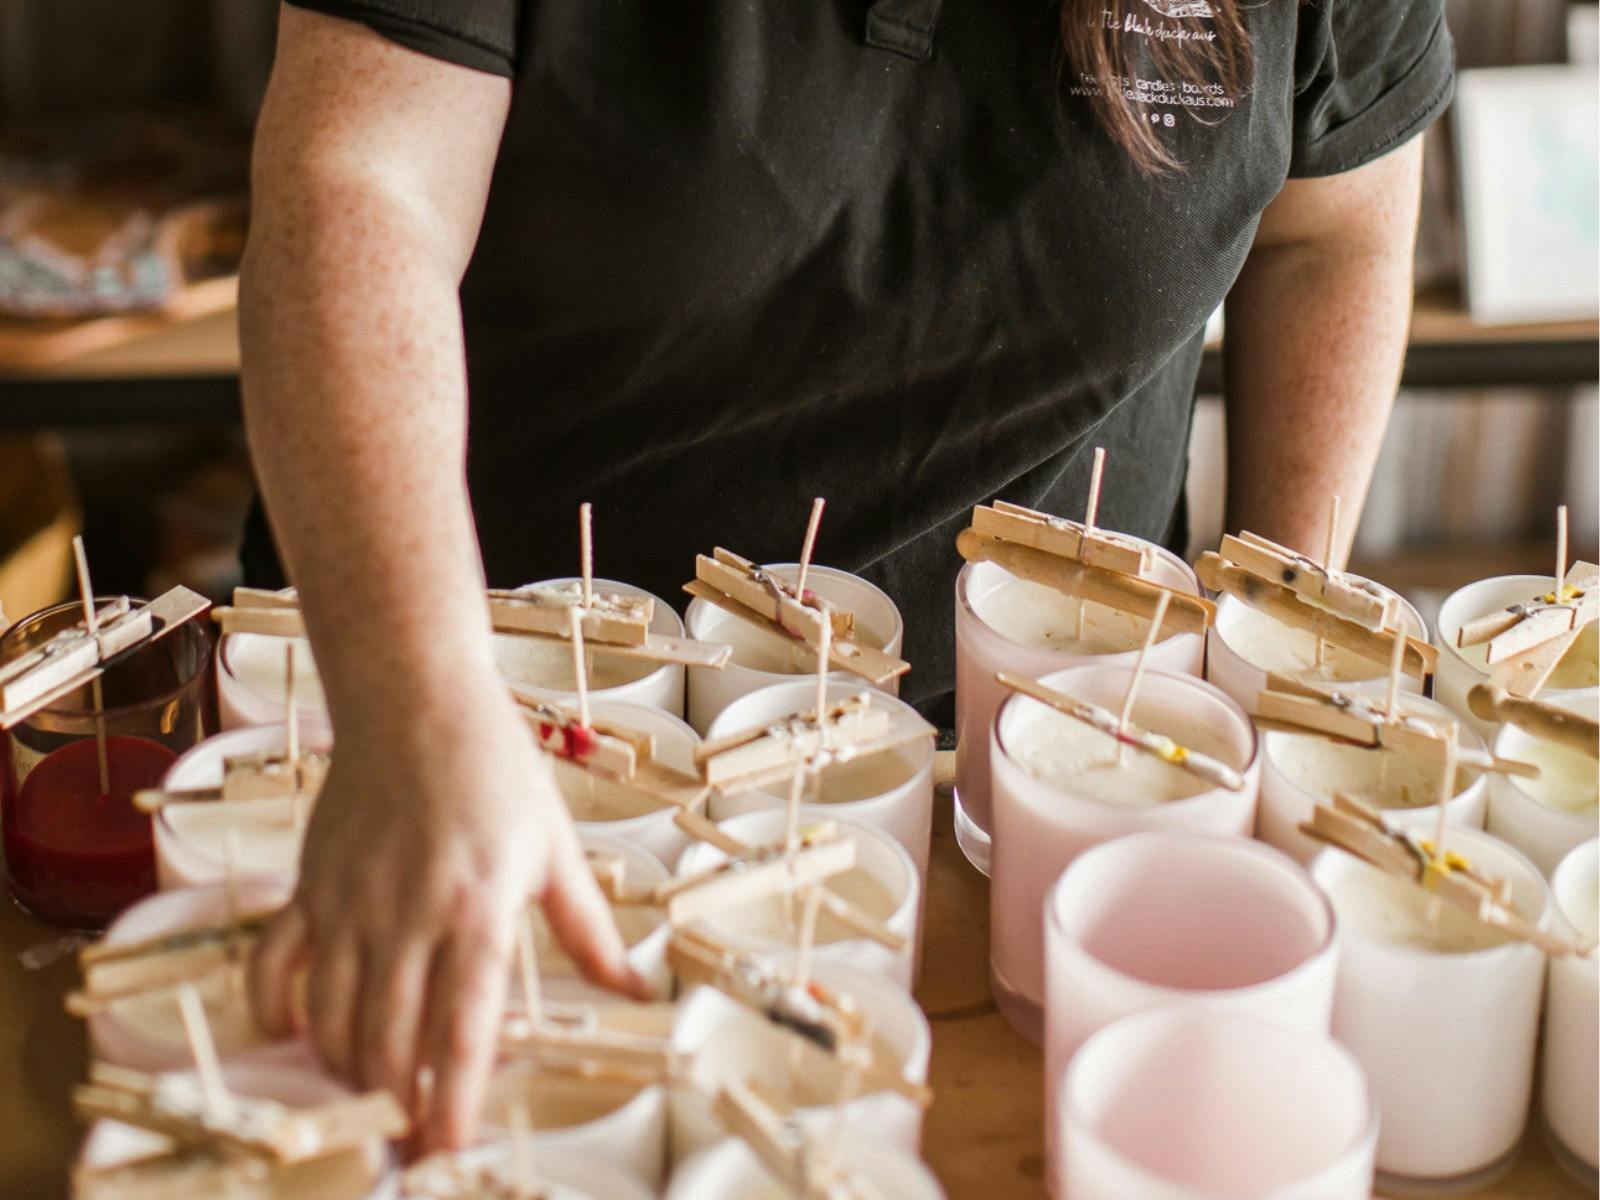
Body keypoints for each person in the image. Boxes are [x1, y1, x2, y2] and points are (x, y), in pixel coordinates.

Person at [239, 0, 1453, 1150]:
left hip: (1052, 790)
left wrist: (1279, 641)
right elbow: (359, 188)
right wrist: (417, 712)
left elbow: (1328, 231)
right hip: (497, 762)